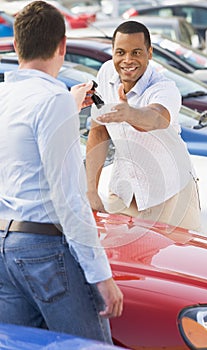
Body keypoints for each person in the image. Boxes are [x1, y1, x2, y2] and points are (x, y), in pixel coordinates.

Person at [0, 0, 123, 342]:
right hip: (45, 252)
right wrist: (102, 277)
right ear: (62, 46)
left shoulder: (5, 96)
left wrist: (67, 104)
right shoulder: (52, 101)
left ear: (15, 44)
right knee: (89, 346)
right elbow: (69, 197)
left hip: (5, 248)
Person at [86, 20, 201, 232]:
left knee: (176, 261)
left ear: (150, 52)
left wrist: (130, 114)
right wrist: (91, 191)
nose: (127, 60)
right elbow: (99, 132)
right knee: (119, 258)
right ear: (112, 52)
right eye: (120, 52)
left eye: (136, 52)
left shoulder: (164, 88)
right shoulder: (105, 74)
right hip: (125, 191)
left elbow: (157, 118)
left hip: (170, 194)